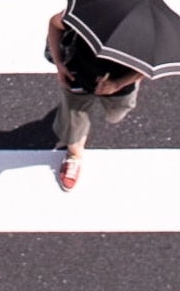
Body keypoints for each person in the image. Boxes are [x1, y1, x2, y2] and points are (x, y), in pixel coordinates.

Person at [45, 10, 144, 191]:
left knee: (116, 115)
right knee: (74, 119)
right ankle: (74, 156)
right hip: (78, 76)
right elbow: (55, 23)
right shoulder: (87, 17)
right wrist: (59, 64)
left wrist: (117, 84)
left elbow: (146, 68)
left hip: (120, 85)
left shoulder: (143, 36)